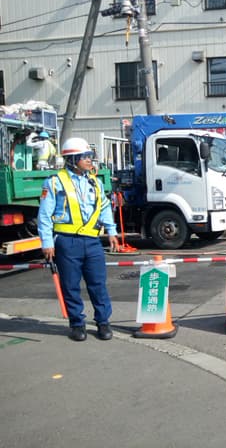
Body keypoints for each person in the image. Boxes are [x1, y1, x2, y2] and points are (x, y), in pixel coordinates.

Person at [37, 137, 119, 342]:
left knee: (98, 284)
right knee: (71, 285)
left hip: (92, 242)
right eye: (85, 157)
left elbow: (104, 207)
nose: (90, 160)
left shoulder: (95, 181)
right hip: (66, 242)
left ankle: (103, 322)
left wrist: (111, 231)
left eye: (90, 156)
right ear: (72, 159)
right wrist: (47, 242)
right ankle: (76, 324)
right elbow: (44, 215)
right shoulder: (55, 182)